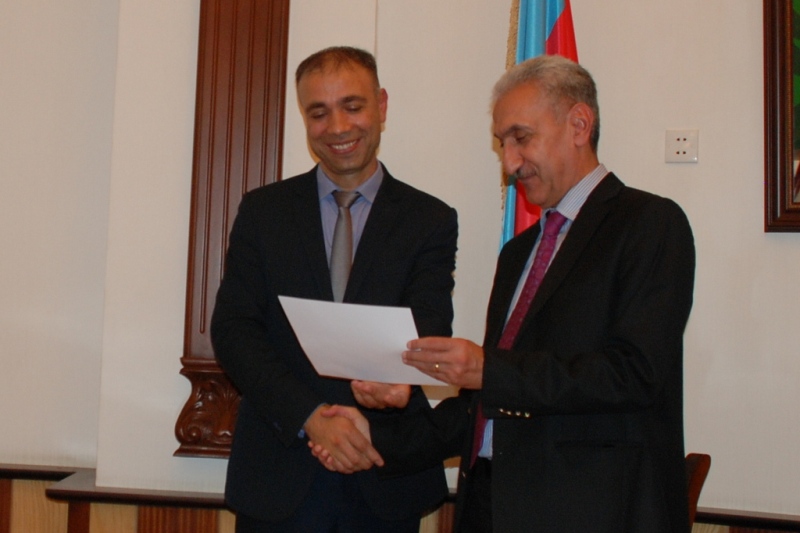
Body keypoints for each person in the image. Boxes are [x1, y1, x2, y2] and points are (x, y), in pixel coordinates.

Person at [315, 54, 696, 532]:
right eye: (502, 144)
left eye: (521, 138)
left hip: (590, 512)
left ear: (579, 124)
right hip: (489, 502)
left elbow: (634, 373)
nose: (510, 162)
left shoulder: (648, 224)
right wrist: (375, 436)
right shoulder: (519, 253)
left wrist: (486, 369)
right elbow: (486, 404)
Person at [211, 46, 458, 532]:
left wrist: (392, 388)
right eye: (318, 112)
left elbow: (427, 327)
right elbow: (234, 331)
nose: (338, 127)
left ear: (381, 105)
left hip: (383, 469)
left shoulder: (429, 219)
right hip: (279, 475)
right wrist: (310, 417)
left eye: (353, 106)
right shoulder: (263, 212)